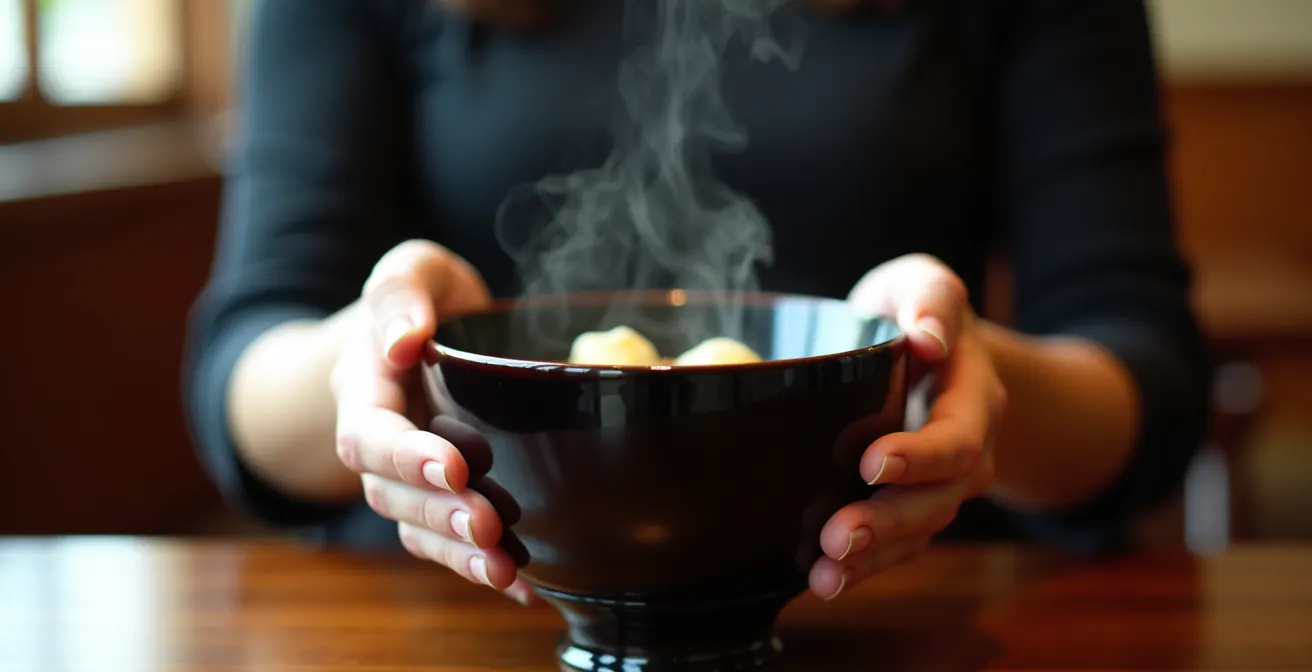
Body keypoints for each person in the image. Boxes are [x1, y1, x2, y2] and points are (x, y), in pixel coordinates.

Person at [184, 0, 1211, 606]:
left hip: (897, 615)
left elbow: (1148, 375)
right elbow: (241, 369)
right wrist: (383, 359)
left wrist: (975, 386)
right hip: (464, 620)